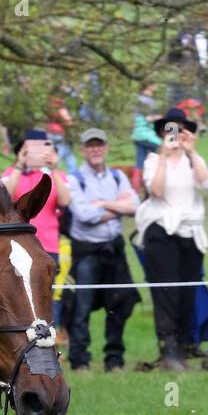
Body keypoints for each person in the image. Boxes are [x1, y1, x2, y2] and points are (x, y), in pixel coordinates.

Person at [136, 106, 208, 371]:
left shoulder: (192, 160)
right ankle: (168, 348)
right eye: (169, 129)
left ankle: (182, 346)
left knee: (187, 290)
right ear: (161, 133)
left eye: (179, 128)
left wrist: (191, 151)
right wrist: (163, 157)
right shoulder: (151, 159)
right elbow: (156, 191)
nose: (175, 134)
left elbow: (207, 184)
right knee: (166, 290)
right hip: (161, 232)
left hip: (190, 232)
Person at [64, 129, 140, 372]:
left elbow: (136, 207)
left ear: (106, 148)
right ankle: (79, 360)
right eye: (90, 145)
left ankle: (114, 359)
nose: (95, 149)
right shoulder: (74, 179)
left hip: (114, 250)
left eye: (99, 145)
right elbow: (84, 215)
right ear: (83, 150)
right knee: (81, 307)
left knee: (120, 304)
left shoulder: (118, 177)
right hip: (86, 251)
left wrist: (104, 205)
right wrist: (119, 207)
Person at [1, 130, 71, 324]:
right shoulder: (11, 173)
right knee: (18, 298)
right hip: (16, 247)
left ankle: (52, 344)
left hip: (48, 246)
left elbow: (65, 200)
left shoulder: (57, 176)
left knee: (48, 298)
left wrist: (54, 168)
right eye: (30, 147)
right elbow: (4, 197)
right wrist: (19, 165)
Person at [132, 84, 161, 171]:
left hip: (138, 135)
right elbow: (148, 118)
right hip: (146, 135)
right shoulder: (146, 100)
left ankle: (137, 183)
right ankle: (153, 179)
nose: (156, 85)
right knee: (155, 157)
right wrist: (160, 118)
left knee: (140, 161)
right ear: (148, 85)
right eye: (154, 83)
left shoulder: (139, 98)